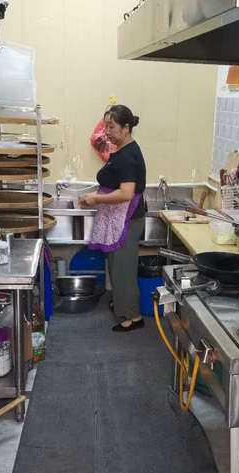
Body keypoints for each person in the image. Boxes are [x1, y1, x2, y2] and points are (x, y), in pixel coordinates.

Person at [79, 105, 146, 332]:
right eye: (106, 126)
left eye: (111, 127)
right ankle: (123, 306)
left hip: (127, 220)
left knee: (123, 270)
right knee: (117, 266)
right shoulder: (122, 150)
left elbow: (126, 193)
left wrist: (96, 198)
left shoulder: (128, 156)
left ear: (126, 128)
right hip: (118, 218)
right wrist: (94, 197)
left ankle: (132, 317)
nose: (107, 132)